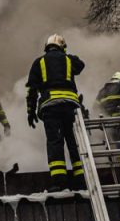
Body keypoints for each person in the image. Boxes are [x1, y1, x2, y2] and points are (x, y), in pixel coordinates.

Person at [26, 34, 86, 189]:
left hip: (50, 106)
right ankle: (81, 179)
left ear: (46, 46)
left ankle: (59, 181)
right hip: (70, 106)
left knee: (55, 142)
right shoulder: (69, 60)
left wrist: (30, 111)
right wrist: (65, 54)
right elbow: (81, 65)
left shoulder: (39, 62)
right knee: (73, 141)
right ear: (62, 47)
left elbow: (32, 89)